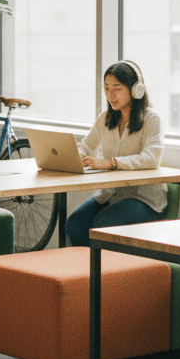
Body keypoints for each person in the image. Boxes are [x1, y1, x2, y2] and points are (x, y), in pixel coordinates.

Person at [65, 60, 167, 248]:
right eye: (106, 88)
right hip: (110, 193)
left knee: (104, 224)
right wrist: (73, 157)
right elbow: (86, 147)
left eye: (117, 89)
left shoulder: (152, 119)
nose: (110, 95)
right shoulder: (105, 118)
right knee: (75, 224)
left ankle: (104, 274)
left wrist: (111, 163)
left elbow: (152, 159)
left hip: (142, 198)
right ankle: (84, 274)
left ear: (136, 89)